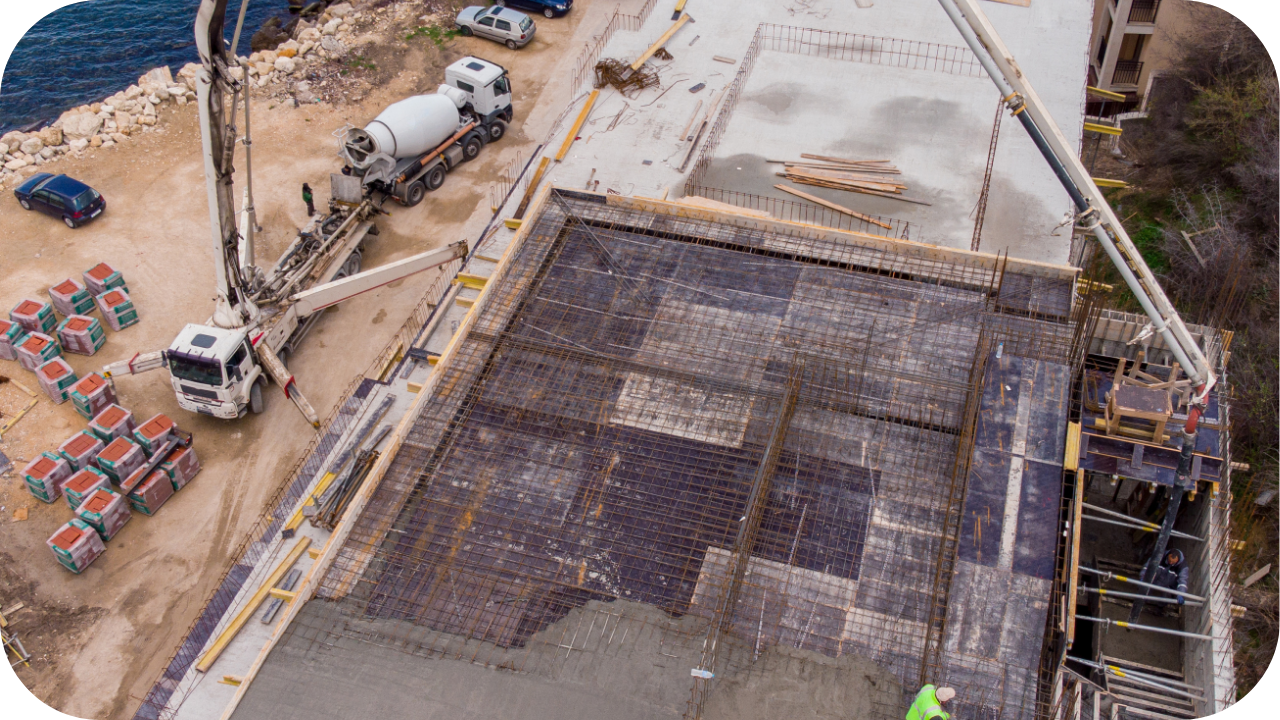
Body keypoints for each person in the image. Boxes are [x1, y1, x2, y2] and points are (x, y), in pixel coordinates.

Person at [1153, 548, 1190, 615]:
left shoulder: (1183, 567)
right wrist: (1143, 577)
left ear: (1177, 560)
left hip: (1169, 585)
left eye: (1172, 562)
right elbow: (1147, 566)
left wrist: (1181, 594)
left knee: (1166, 595)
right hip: (1158, 580)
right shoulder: (1161, 556)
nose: (1170, 563)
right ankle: (1142, 599)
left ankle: (1159, 607)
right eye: (1169, 560)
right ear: (1167, 556)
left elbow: (1182, 582)